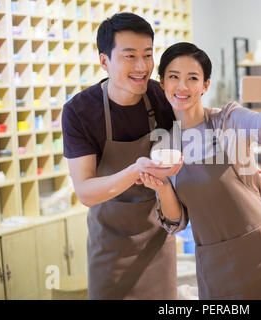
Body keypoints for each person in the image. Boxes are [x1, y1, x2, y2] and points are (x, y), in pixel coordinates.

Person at [139, 42, 261, 299]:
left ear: (205, 85)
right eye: (174, 77)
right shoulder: (164, 145)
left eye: (192, 78)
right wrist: (161, 186)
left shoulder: (228, 120)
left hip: (260, 250)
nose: (182, 87)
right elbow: (176, 221)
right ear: (162, 83)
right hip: (213, 260)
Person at [61, 12, 185, 299]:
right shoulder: (80, 111)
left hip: (158, 239)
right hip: (110, 246)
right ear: (104, 61)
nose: (142, 67)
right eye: (130, 56)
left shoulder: (160, 96)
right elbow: (86, 192)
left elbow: (201, 128)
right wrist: (134, 171)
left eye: (148, 55)